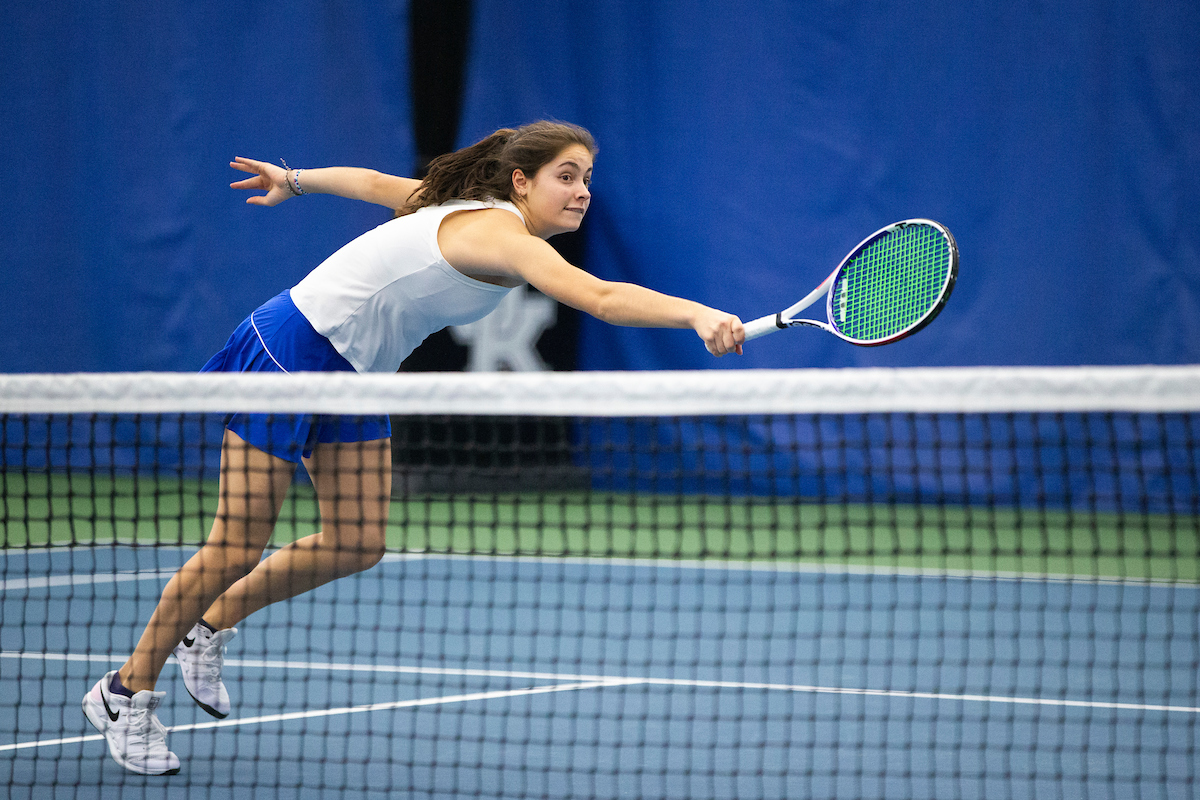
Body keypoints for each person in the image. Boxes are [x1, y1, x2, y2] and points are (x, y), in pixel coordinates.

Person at [82, 121, 745, 775]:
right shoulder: (501, 236)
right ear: (522, 181)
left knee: (357, 540)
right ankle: (125, 691)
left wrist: (293, 179)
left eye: (586, 180)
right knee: (234, 543)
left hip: (355, 375)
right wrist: (694, 313)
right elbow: (599, 297)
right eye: (565, 177)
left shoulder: (464, 208)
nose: (580, 192)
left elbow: (370, 182)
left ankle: (210, 624)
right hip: (294, 347)